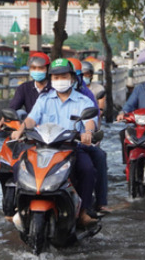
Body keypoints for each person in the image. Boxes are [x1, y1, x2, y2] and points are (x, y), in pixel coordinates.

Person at [11, 58, 99, 227]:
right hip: (43, 148)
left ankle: (84, 211)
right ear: (51, 79)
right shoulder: (44, 99)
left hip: (71, 148)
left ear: (72, 78)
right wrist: (21, 129)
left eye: (63, 76)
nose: (60, 80)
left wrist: (87, 132)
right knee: (18, 166)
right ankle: (20, 207)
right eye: (56, 77)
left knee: (87, 169)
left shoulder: (83, 101)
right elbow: (31, 118)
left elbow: (90, 121)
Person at [68, 58, 109, 213]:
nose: (65, 81)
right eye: (59, 77)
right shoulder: (47, 97)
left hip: (78, 143)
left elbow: (93, 118)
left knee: (96, 159)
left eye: (69, 76)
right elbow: (35, 118)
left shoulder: (85, 95)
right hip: (52, 143)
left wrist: (88, 133)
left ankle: (99, 203)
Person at [0, 52, 51, 129]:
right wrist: (1, 121)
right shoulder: (24, 88)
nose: (37, 71)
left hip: (53, 130)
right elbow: (13, 108)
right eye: (33, 68)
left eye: (41, 68)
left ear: (47, 69)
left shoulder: (56, 88)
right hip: (31, 129)